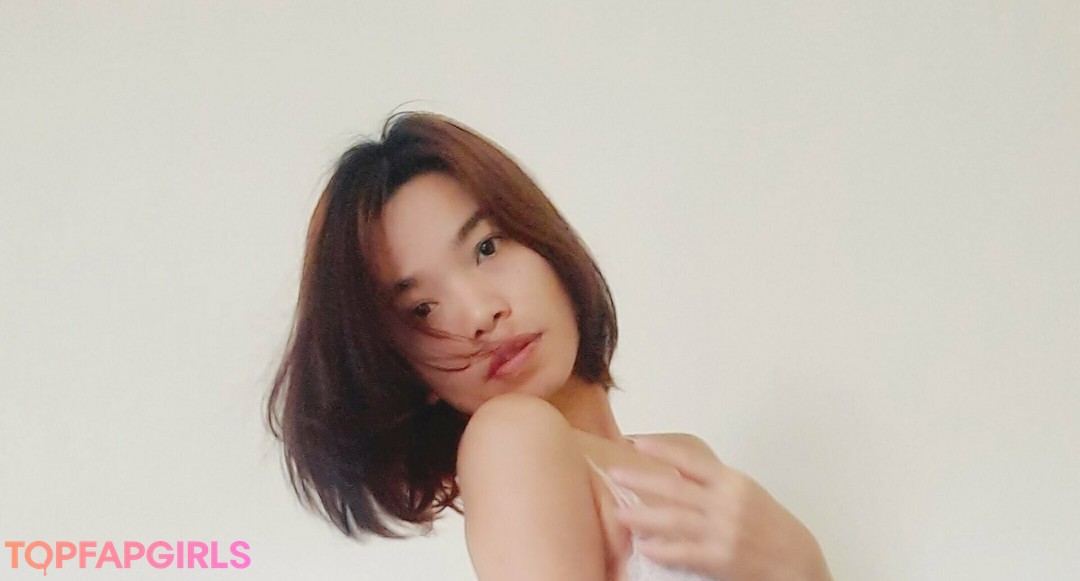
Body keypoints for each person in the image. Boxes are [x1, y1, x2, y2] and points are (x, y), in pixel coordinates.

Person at [266, 111, 832, 580]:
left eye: (487, 247)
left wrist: (801, 565)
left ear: (544, 242)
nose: (480, 314)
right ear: (405, 370)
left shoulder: (685, 461)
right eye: (421, 309)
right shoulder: (510, 437)